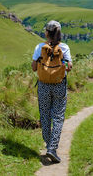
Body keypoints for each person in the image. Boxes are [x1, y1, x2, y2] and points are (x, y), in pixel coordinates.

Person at [31, 20, 72, 163]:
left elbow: (34, 68)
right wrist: (60, 63)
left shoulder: (39, 47)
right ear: (59, 33)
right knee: (58, 116)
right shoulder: (64, 47)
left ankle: (49, 145)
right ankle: (52, 148)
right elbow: (68, 67)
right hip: (59, 85)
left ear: (47, 33)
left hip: (43, 85)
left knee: (45, 115)